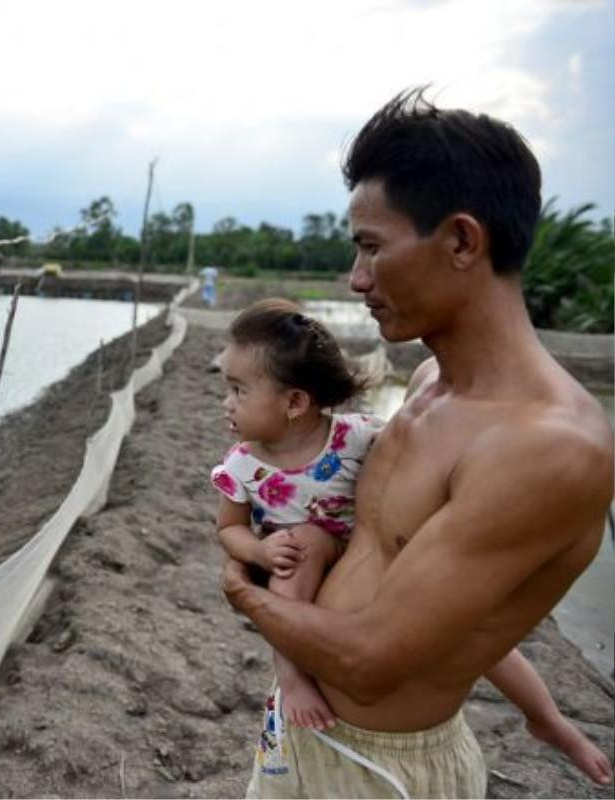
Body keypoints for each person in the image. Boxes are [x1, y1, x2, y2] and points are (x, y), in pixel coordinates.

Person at [220, 87, 615, 798]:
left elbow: (371, 662)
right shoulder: (430, 382)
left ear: (462, 240)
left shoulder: (551, 446)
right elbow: (402, 568)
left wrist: (243, 593)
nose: (357, 279)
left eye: (373, 247)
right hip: (300, 729)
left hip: (383, 768)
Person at [211, 297, 612, 787]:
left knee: (485, 639)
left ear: (295, 403)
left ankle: (549, 720)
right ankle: (293, 680)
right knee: (300, 552)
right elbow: (228, 528)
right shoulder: (241, 466)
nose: (225, 403)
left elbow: (402, 477)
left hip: (364, 551)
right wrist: (256, 553)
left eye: (236, 390)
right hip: (300, 557)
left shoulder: (354, 436)